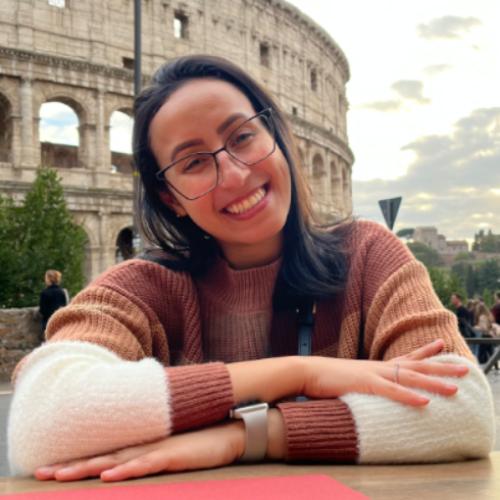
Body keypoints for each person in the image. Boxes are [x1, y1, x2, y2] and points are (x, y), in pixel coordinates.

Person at [8, 55, 494, 482]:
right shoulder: (140, 289)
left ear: (278, 138)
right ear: (168, 197)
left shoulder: (369, 255)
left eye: (242, 136)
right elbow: (41, 420)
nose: (236, 175)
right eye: (195, 163)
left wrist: (243, 436)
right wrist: (301, 373)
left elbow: (465, 408)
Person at [38, 270, 68, 335]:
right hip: (60, 322)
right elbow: (64, 306)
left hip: (48, 322)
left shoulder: (45, 293)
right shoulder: (61, 292)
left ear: (49, 279)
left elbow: (42, 310)